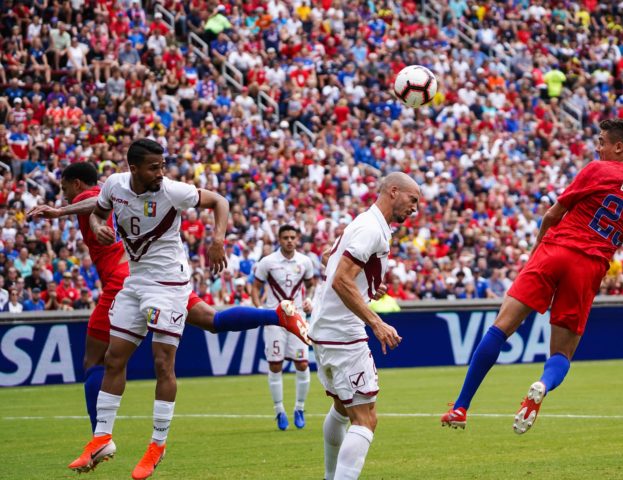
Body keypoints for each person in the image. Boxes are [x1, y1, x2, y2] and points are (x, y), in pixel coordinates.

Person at [30, 143, 302, 479]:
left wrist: (218, 239)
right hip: (135, 282)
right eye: (154, 167)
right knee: (114, 358)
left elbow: (219, 200)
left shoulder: (173, 190)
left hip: (169, 285)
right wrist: (98, 225)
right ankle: (101, 438)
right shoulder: (115, 185)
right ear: (133, 168)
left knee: (162, 363)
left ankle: (157, 444)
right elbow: (99, 209)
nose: (160, 173)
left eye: (162, 166)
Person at [440, 119, 623, 434]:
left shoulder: (598, 170)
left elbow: (552, 214)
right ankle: (543, 384)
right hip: (589, 267)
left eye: (602, 142)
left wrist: (536, 252)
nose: (598, 148)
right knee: (562, 354)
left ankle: (461, 407)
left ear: (619, 147)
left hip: (556, 250)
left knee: (500, 328)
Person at [310, 172, 419, 480]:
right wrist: (376, 322)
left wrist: (369, 286)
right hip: (343, 332)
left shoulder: (366, 223)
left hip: (325, 330)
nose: (415, 208)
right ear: (394, 191)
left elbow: (332, 261)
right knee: (366, 418)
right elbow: (340, 279)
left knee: (342, 409)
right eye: (413, 200)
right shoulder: (371, 228)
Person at [252, 224, 315, 430]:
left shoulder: (305, 261)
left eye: (292, 237)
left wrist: (309, 300)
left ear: (297, 239)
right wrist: (259, 310)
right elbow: (255, 287)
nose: (289, 241)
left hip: (297, 317)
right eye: (285, 237)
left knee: (302, 364)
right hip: (274, 318)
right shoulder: (267, 262)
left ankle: (300, 408)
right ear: (279, 240)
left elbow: (311, 285)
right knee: (275, 365)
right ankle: (279, 411)